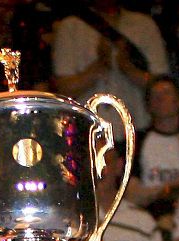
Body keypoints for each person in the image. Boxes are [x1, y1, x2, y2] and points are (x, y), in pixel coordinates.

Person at [49, 0, 171, 139]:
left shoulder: (144, 25)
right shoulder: (71, 27)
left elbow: (162, 86)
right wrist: (99, 66)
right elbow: (64, 89)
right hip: (88, 132)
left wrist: (128, 69)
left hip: (137, 129)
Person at [130, 75, 179, 219]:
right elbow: (132, 194)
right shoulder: (136, 142)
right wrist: (175, 186)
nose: (160, 98)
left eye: (166, 93)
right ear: (148, 105)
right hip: (151, 217)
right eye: (155, 95)